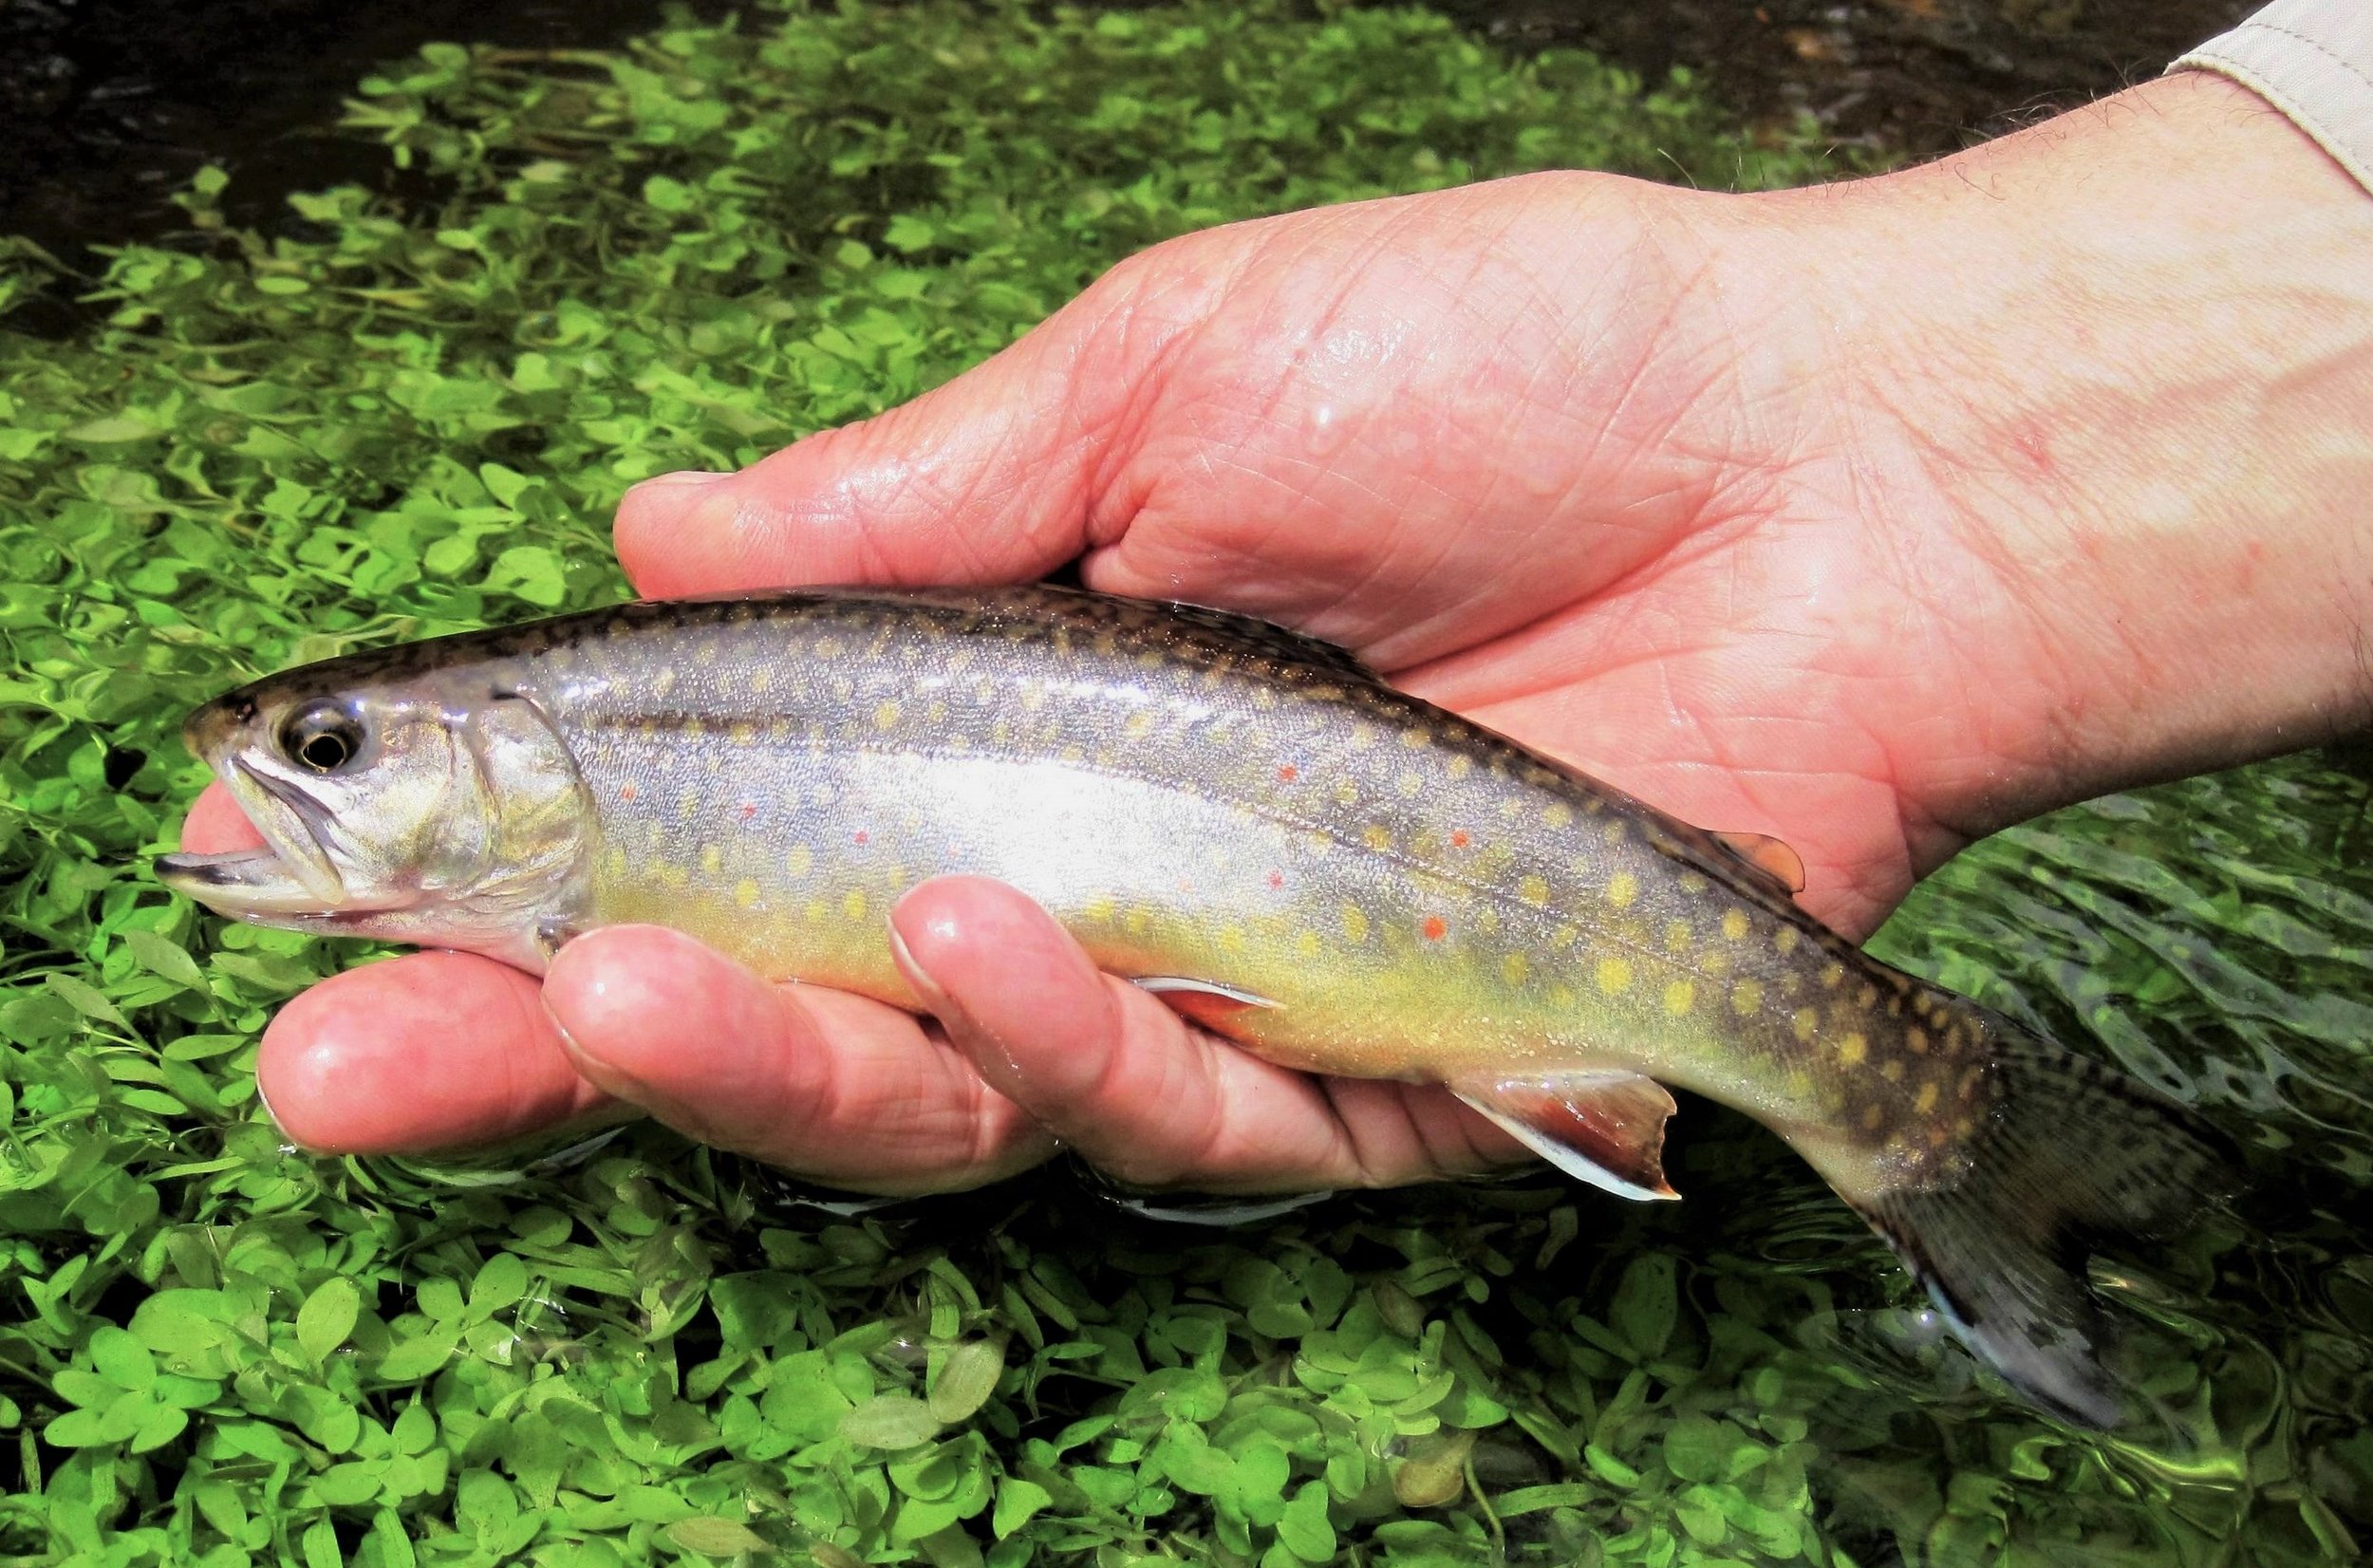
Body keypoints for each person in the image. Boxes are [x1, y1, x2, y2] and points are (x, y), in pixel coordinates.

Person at [180, 9, 2373, 1198]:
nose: (287, 780)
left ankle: (1908, 1110)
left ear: (497, 742)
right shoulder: (605, 807)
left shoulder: (634, 774)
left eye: (331, 748)